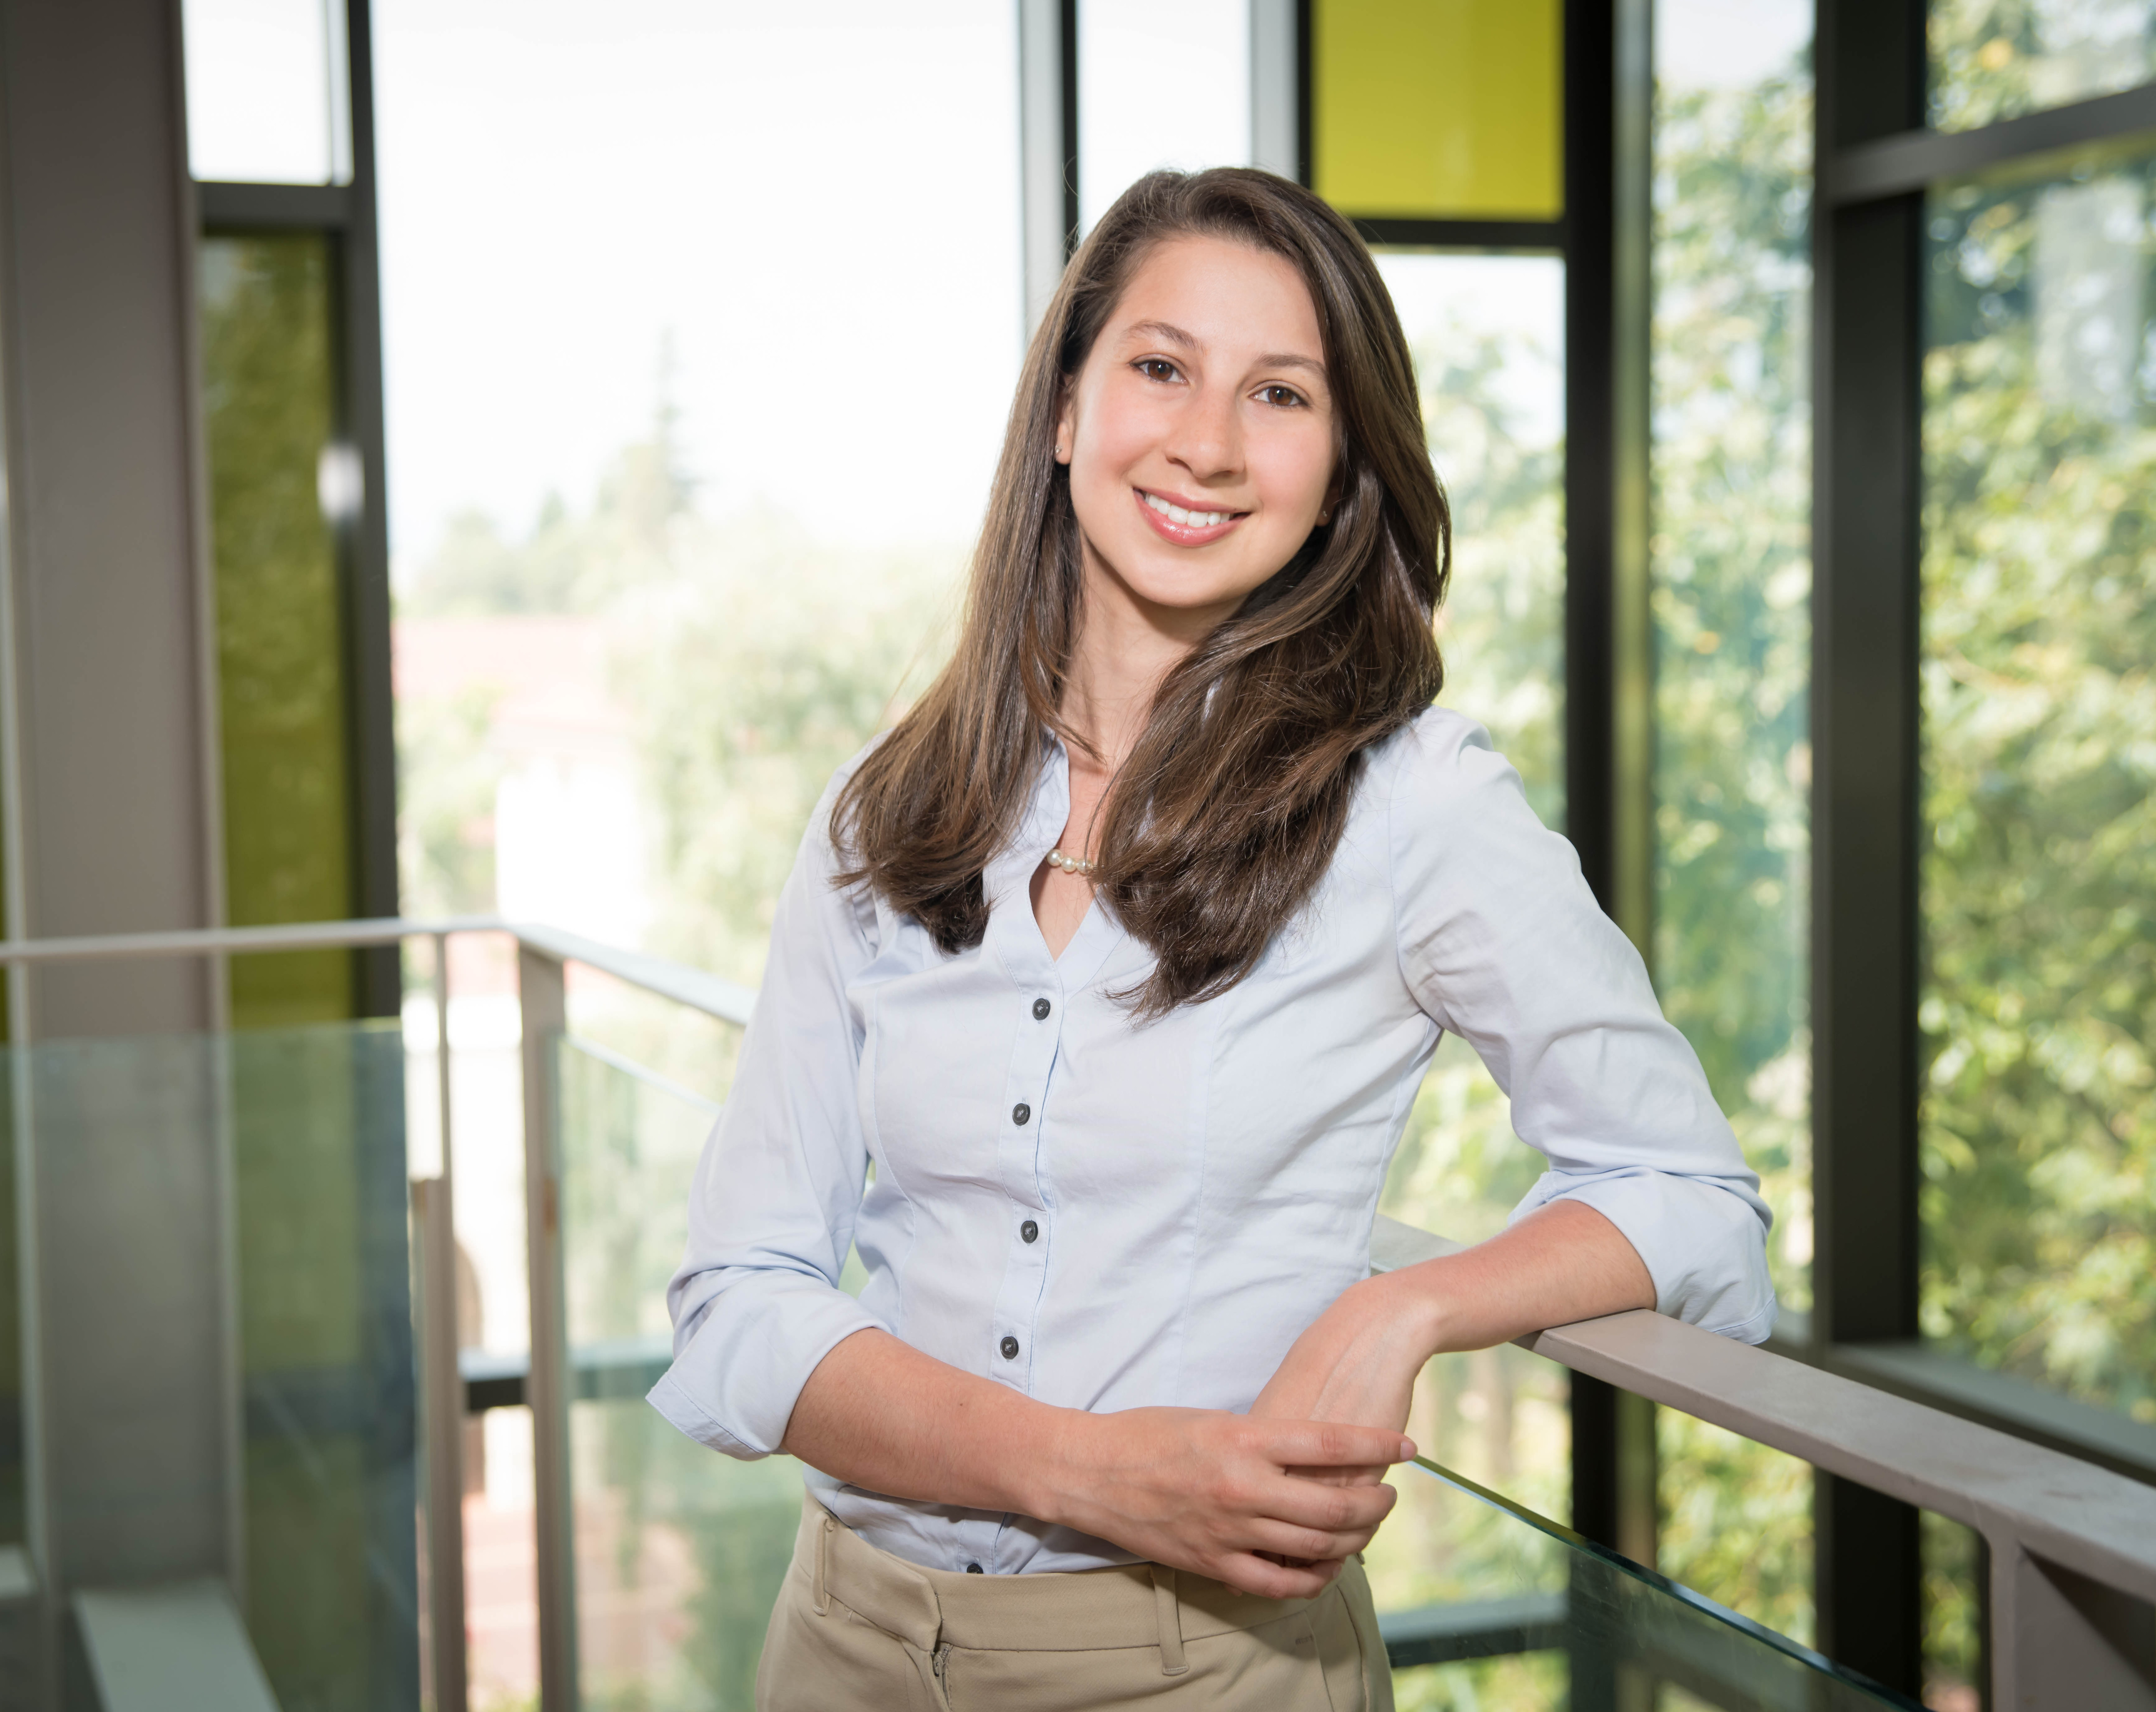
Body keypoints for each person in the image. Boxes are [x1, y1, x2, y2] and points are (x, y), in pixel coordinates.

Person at [650, 167, 1774, 1712]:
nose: (1206, 443)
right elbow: (740, 1292)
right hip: (837, 1643)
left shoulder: (1416, 811)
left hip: (1202, 1670)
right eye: (1159, 367)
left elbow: (1690, 1198)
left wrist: (1405, 1304)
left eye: (1280, 394)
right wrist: (1093, 1469)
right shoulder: (886, 810)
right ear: (1063, 410)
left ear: (1339, 467)